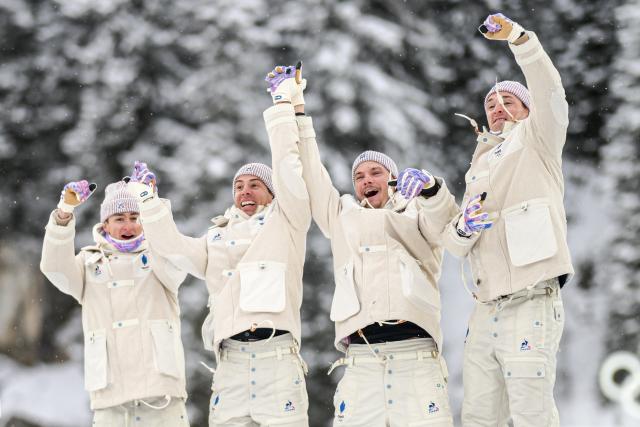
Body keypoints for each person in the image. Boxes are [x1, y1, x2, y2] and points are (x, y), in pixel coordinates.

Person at [265, 64, 461, 427]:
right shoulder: (341, 215)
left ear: (392, 177)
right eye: (359, 176)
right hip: (362, 357)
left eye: (375, 172)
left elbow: (443, 224)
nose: (366, 180)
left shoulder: (415, 211)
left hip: (415, 353)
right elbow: (310, 168)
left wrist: (433, 189)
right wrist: (294, 107)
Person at [127, 112, 312, 425]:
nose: (245, 192)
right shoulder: (216, 238)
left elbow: (289, 172)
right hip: (230, 364)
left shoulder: (287, 225)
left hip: (277, 360)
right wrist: (148, 201)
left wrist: (283, 108)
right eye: (238, 186)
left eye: (255, 185)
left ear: (273, 193)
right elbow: (171, 247)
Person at [443, 13, 573, 427]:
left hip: (532, 300)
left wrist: (519, 40)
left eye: (508, 102)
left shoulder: (539, 139)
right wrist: (462, 229)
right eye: (490, 105)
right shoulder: (479, 164)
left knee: (531, 415)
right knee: (480, 417)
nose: (497, 108)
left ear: (528, 109)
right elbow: (456, 244)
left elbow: (549, 89)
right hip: (485, 309)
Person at [40, 174, 190, 426]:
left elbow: (178, 255)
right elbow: (54, 268)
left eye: (134, 218)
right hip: (111, 399)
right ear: (105, 224)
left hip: (162, 395)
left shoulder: (161, 257)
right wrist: (64, 213)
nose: (128, 226)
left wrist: (152, 203)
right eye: (119, 219)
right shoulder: (87, 264)